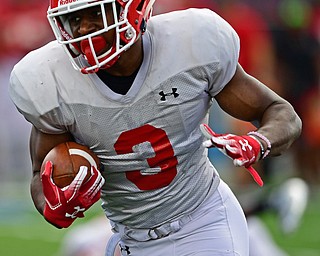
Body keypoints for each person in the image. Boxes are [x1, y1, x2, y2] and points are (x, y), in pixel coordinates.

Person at [9, 0, 302, 255]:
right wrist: (55, 201)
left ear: (132, 10)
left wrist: (257, 142)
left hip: (203, 220)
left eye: (95, 14)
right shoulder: (50, 81)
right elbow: (40, 176)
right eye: (74, 19)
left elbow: (279, 112)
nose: (84, 28)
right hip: (128, 239)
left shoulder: (190, 44)